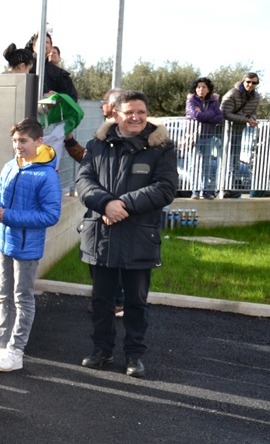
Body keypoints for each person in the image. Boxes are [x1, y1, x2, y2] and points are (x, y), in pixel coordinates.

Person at [76, 90, 176, 378]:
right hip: (101, 235)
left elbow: (165, 188)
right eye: (130, 112)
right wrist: (105, 203)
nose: (136, 117)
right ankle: (101, 350)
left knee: (136, 302)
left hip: (139, 237)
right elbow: (84, 182)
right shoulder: (96, 145)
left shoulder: (162, 148)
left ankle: (134, 355)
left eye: (141, 112)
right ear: (115, 114)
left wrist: (123, 205)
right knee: (102, 301)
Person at [0, 118, 61, 373]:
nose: (17, 146)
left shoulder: (47, 176)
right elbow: (0, 196)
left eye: (23, 141)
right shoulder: (10, 166)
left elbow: (50, 216)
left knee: (22, 298)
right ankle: (2, 345)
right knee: (3, 294)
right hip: (4, 242)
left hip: (27, 248)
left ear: (39, 142)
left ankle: (16, 351)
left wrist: (9, 216)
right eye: (14, 141)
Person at [220, 72, 261, 194]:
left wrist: (252, 119)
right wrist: (246, 119)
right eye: (248, 82)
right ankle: (223, 188)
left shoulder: (256, 96)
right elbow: (225, 113)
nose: (250, 84)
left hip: (239, 130)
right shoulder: (232, 94)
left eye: (254, 83)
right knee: (226, 158)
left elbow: (252, 111)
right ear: (243, 81)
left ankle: (231, 187)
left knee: (234, 159)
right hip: (224, 130)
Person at [185, 77, 224, 199]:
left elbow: (219, 117)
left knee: (206, 164)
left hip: (208, 136)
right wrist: (208, 114)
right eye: (198, 87)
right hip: (194, 136)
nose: (201, 89)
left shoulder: (213, 102)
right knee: (194, 163)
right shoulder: (191, 101)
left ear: (208, 89)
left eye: (204, 87)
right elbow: (196, 115)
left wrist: (203, 113)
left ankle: (206, 190)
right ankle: (195, 191)